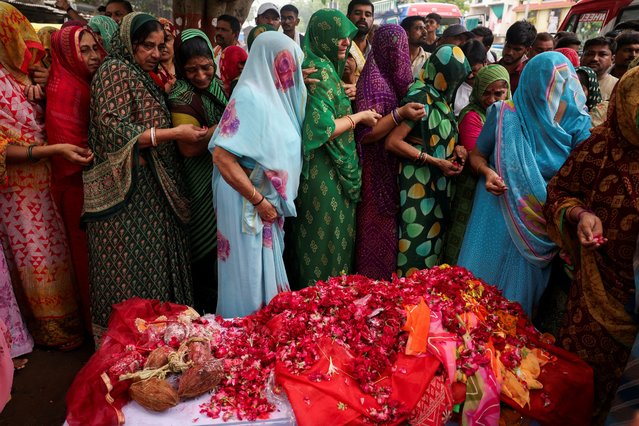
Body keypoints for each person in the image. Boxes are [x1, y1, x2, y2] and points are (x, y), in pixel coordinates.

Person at [83, 13, 207, 337]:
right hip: (128, 197)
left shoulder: (143, 73)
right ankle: (126, 346)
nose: (155, 53)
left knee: (155, 266)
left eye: (159, 45)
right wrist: (172, 134)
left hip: (153, 191)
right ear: (128, 44)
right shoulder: (114, 71)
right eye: (146, 46)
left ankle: (163, 342)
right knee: (130, 271)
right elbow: (113, 128)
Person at [457, 52, 591, 316]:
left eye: (563, 86)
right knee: (474, 293)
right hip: (494, 210)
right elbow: (477, 155)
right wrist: (487, 173)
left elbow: (581, 178)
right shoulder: (505, 114)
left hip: (539, 222)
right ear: (532, 85)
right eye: (549, 87)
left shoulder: (578, 123)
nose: (556, 95)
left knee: (517, 304)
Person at [544, 66, 639, 423]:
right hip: (597, 291)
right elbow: (559, 192)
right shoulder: (599, 147)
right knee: (581, 384)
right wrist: (579, 215)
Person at [0, 2, 92, 350]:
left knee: (58, 251)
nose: (26, 46)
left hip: (48, 180)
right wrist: (51, 151)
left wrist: (44, 84)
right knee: (34, 256)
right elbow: (2, 147)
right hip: (17, 189)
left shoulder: (26, 74)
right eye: (18, 38)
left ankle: (70, 320)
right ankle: (50, 328)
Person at [210, 32, 306, 317]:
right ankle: (243, 333)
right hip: (244, 197)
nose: (292, 75)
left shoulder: (276, 99)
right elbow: (222, 157)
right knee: (248, 271)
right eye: (286, 65)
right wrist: (259, 202)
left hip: (260, 198)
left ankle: (261, 334)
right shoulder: (251, 97)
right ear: (269, 62)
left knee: (258, 269)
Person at [291, 9, 380, 288]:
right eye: (339, 37)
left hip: (332, 171)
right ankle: (318, 311)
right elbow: (324, 129)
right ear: (322, 36)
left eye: (347, 37)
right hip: (323, 171)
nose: (345, 43)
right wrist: (360, 117)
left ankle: (331, 309)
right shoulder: (319, 71)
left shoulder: (325, 67)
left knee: (334, 239)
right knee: (324, 240)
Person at [385, 45, 471, 276]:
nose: (455, 84)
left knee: (432, 242)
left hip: (436, 182)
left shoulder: (440, 97)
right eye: (453, 78)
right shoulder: (421, 96)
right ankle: (406, 302)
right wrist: (434, 161)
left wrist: (459, 150)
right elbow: (393, 141)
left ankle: (425, 303)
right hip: (418, 182)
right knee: (415, 240)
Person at [46, 24, 106, 333]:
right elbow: (72, 146)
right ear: (68, 54)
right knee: (87, 259)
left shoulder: (85, 81)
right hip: (75, 185)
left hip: (87, 181)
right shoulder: (65, 89)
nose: (94, 56)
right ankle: (94, 328)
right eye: (84, 50)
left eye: (95, 47)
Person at [354, 24, 425, 281]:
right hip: (372, 172)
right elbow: (367, 134)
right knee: (375, 234)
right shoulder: (372, 82)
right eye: (395, 50)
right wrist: (399, 114)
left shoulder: (392, 81)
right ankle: (370, 293)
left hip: (389, 167)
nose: (400, 57)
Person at [169, 29, 228, 314]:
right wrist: (224, 129)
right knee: (206, 247)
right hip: (199, 178)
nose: (201, 76)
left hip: (222, 175)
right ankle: (206, 311)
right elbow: (188, 149)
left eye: (206, 67)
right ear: (181, 67)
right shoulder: (182, 95)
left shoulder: (218, 86)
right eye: (191, 70)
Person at [444, 64, 510, 265]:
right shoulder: (473, 115)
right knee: (465, 236)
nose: (491, 100)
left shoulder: (509, 112)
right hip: (474, 185)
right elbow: (476, 156)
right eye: (486, 93)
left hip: (495, 185)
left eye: (499, 93)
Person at [499, 20, 536, 93]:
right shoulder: (489, 69)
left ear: (527, 50)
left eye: (517, 49)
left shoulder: (527, 77)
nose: (509, 52)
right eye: (508, 46)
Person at [343, 0, 374, 85]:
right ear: (348, 17)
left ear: (373, 20)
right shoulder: (340, 50)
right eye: (357, 13)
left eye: (368, 15)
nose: (363, 17)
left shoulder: (376, 54)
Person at [454, 39, 487, 116]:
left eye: (474, 70)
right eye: (465, 70)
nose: (469, 75)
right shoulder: (454, 88)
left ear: (485, 63)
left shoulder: (493, 86)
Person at [581, 37, 618, 101]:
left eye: (602, 54)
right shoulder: (568, 80)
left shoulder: (617, 86)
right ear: (582, 57)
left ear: (612, 59)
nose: (594, 59)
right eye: (590, 54)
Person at [149, 17, 177, 93]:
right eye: (159, 42)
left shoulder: (182, 67)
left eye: (167, 39)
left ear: (175, 40)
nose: (163, 45)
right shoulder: (150, 71)